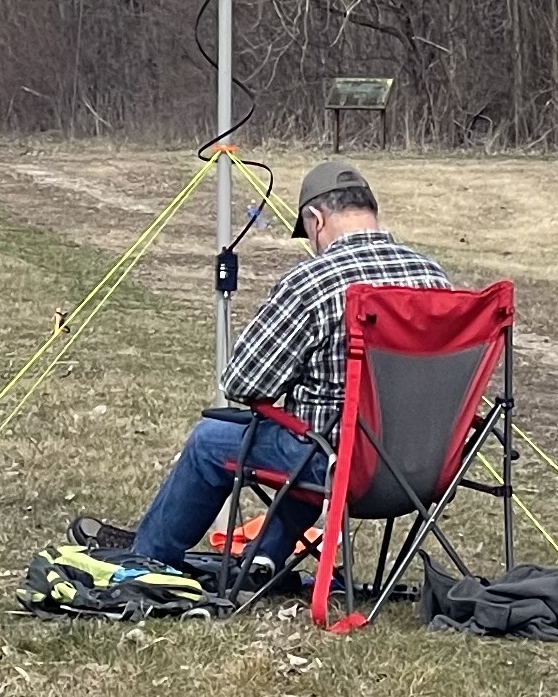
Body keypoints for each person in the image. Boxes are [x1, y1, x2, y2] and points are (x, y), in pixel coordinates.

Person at [130, 161, 451, 572]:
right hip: (423, 468)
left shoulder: (315, 282)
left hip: (340, 467)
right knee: (309, 441)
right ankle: (262, 558)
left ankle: (148, 559)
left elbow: (242, 381)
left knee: (215, 440)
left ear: (316, 220)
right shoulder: (434, 277)